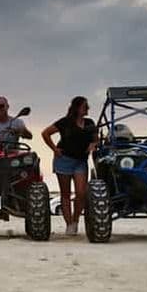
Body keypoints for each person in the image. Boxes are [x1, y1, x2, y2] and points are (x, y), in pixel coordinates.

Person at [41, 96, 97, 235]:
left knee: (81, 193)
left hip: (80, 161)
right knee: (65, 194)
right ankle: (69, 224)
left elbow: (96, 139)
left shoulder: (90, 123)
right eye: (85, 106)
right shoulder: (65, 122)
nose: (88, 108)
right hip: (64, 160)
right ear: (77, 107)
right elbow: (46, 133)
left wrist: (93, 144)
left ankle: (76, 219)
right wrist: (54, 149)